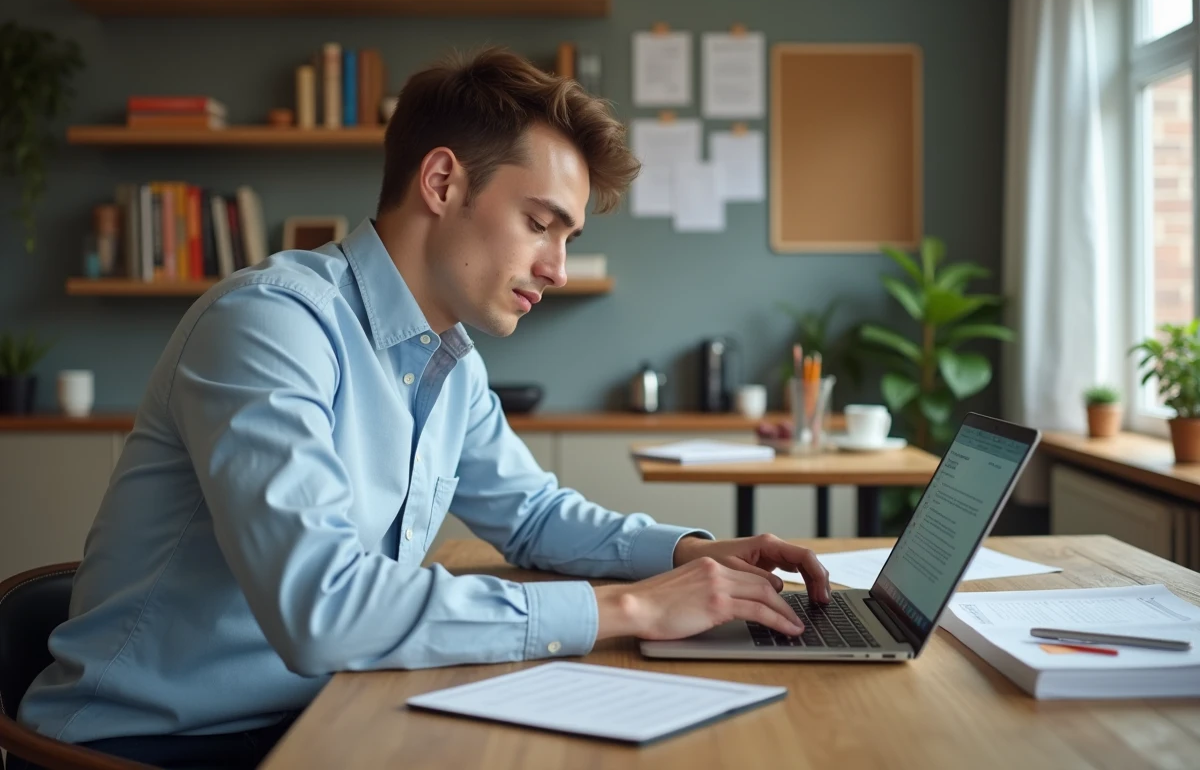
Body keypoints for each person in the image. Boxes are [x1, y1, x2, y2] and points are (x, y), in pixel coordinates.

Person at [15, 48, 830, 770]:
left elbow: (535, 518)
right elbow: (321, 607)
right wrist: (630, 607)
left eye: (569, 237)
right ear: (442, 182)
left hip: (318, 714)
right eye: (540, 224)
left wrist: (691, 551)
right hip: (153, 745)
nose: (559, 268)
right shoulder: (268, 324)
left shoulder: (451, 364)